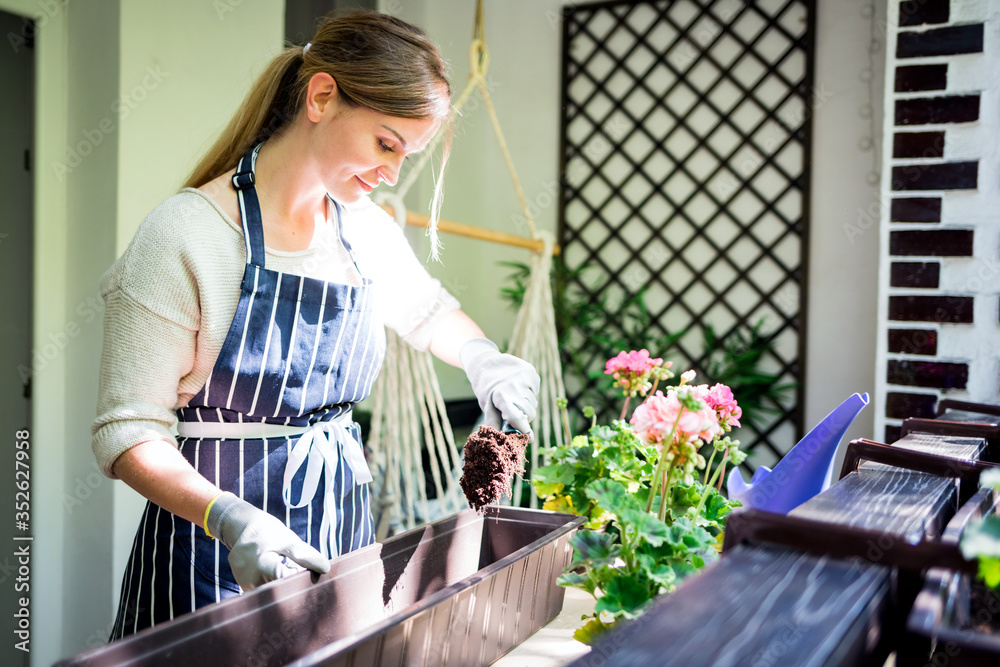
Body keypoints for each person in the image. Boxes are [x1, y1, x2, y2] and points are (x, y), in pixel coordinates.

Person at [92, 10, 539, 639]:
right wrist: (228, 519)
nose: (392, 174)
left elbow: (428, 313)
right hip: (210, 560)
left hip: (341, 547)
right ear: (322, 96)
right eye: (386, 144)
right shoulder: (188, 236)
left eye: (407, 155)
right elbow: (128, 432)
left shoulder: (365, 230)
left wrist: (483, 357)